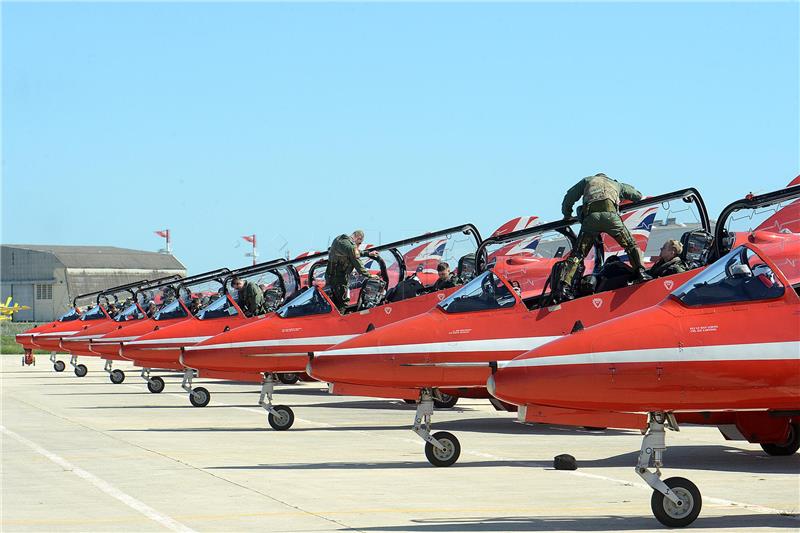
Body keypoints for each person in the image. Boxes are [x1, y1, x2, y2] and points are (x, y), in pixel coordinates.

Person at [559, 173, 650, 297]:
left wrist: (567, 214)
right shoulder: (616, 184)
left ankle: (564, 286)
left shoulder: (587, 181)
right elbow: (637, 195)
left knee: (578, 255)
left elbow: (570, 196)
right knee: (630, 245)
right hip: (611, 218)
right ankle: (641, 272)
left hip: (591, 220)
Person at [325, 230, 378, 312]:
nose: (358, 246)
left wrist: (368, 254)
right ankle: (341, 321)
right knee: (343, 303)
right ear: (358, 238)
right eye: (359, 243)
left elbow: (352, 252)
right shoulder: (351, 247)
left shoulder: (339, 240)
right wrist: (368, 275)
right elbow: (357, 262)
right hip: (339, 279)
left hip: (330, 276)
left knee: (332, 301)